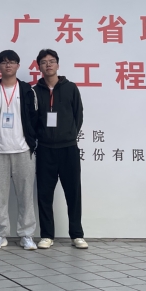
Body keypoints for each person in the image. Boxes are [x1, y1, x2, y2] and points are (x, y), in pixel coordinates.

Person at [0, 50, 39, 250]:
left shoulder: (27, 90)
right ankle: (0, 234)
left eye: (12, 62)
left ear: (18, 65)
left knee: (26, 196)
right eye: (4, 62)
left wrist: (30, 140)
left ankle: (27, 235)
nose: (8, 65)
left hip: (23, 150)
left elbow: (34, 117)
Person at [34, 49, 87, 249]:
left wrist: (68, 134)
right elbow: (31, 119)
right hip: (45, 149)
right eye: (44, 62)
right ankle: (47, 235)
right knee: (44, 194)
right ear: (39, 66)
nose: (48, 65)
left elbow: (78, 115)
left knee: (73, 193)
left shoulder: (71, 88)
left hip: (68, 149)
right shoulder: (34, 91)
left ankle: (77, 235)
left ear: (58, 64)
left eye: (52, 61)